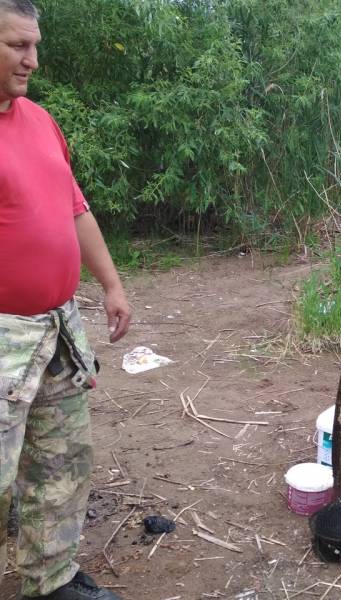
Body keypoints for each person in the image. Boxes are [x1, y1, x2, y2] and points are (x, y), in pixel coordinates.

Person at [0, 1, 132, 598]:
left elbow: (73, 208)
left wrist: (110, 284)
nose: (32, 60)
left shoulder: (40, 120)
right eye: (16, 46)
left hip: (57, 331)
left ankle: (48, 579)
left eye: (35, 45)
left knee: (61, 462)